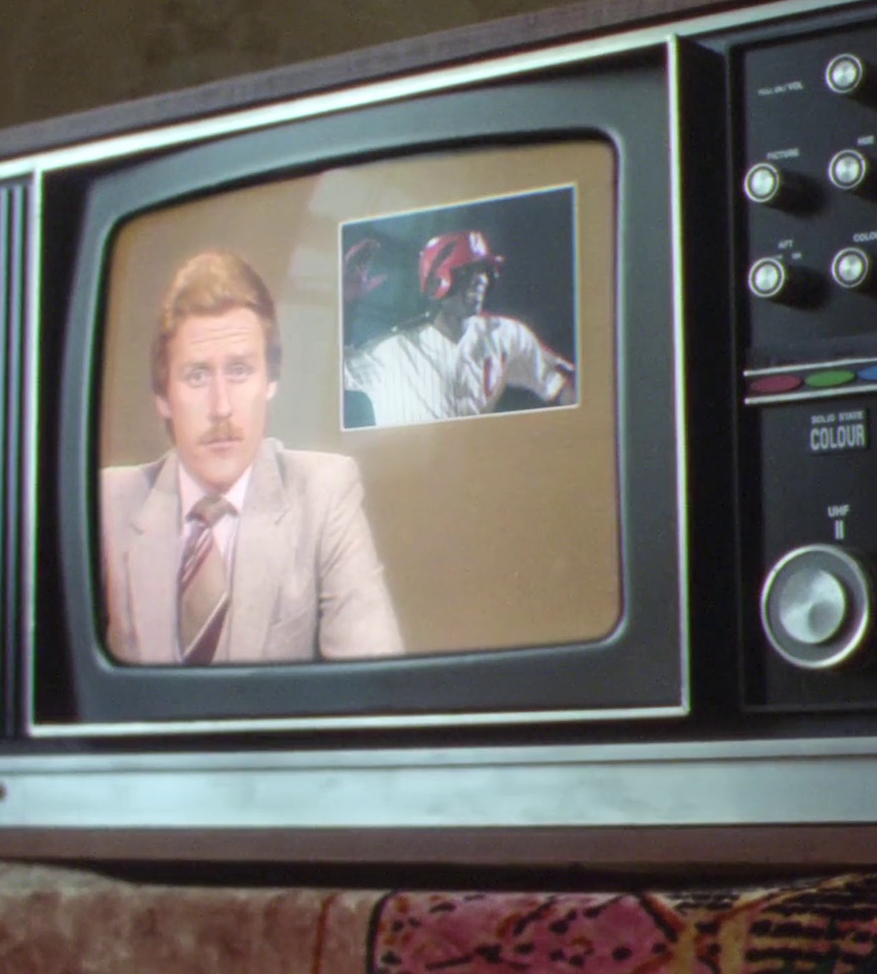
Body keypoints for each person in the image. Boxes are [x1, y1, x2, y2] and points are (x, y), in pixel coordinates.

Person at [98, 250, 403, 665]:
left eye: (240, 370)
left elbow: (375, 688)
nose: (221, 407)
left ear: (270, 382)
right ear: (163, 397)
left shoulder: (325, 494)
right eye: (197, 375)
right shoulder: (108, 505)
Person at [342, 230, 576, 427]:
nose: (481, 279)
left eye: (484, 270)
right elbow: (332, 372)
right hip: (405, 466)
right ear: (437, 281)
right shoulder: (392, 350)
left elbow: (564, 385)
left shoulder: (504, 335)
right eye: (468, 272)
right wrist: (344, 302)